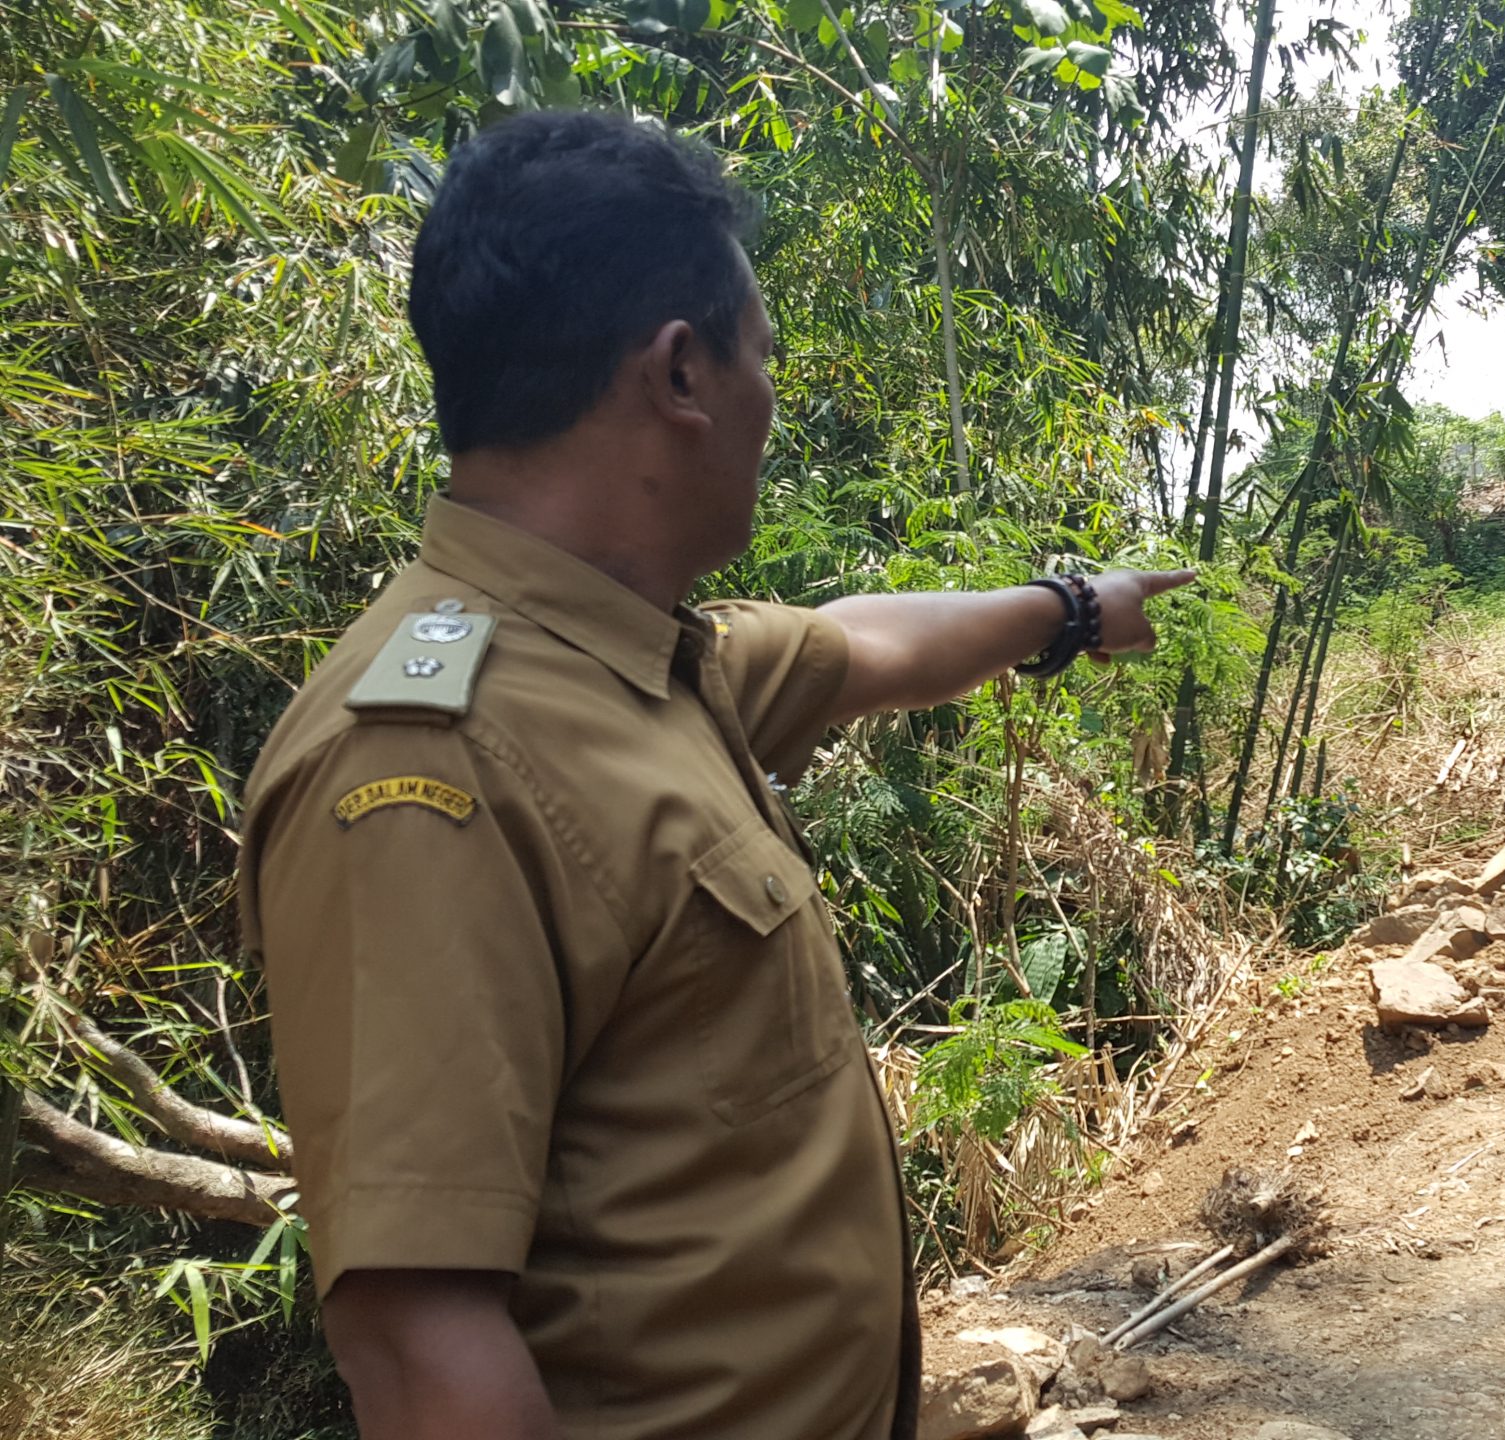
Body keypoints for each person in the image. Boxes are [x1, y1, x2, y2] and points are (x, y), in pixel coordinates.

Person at [235, 112, 1191, 1440]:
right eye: (764, 359)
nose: (771, 400)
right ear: (681, 375)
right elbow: (417, 1344)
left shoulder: (632, 665)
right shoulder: (424, 759)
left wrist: (1076, 607)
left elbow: (863, 643)